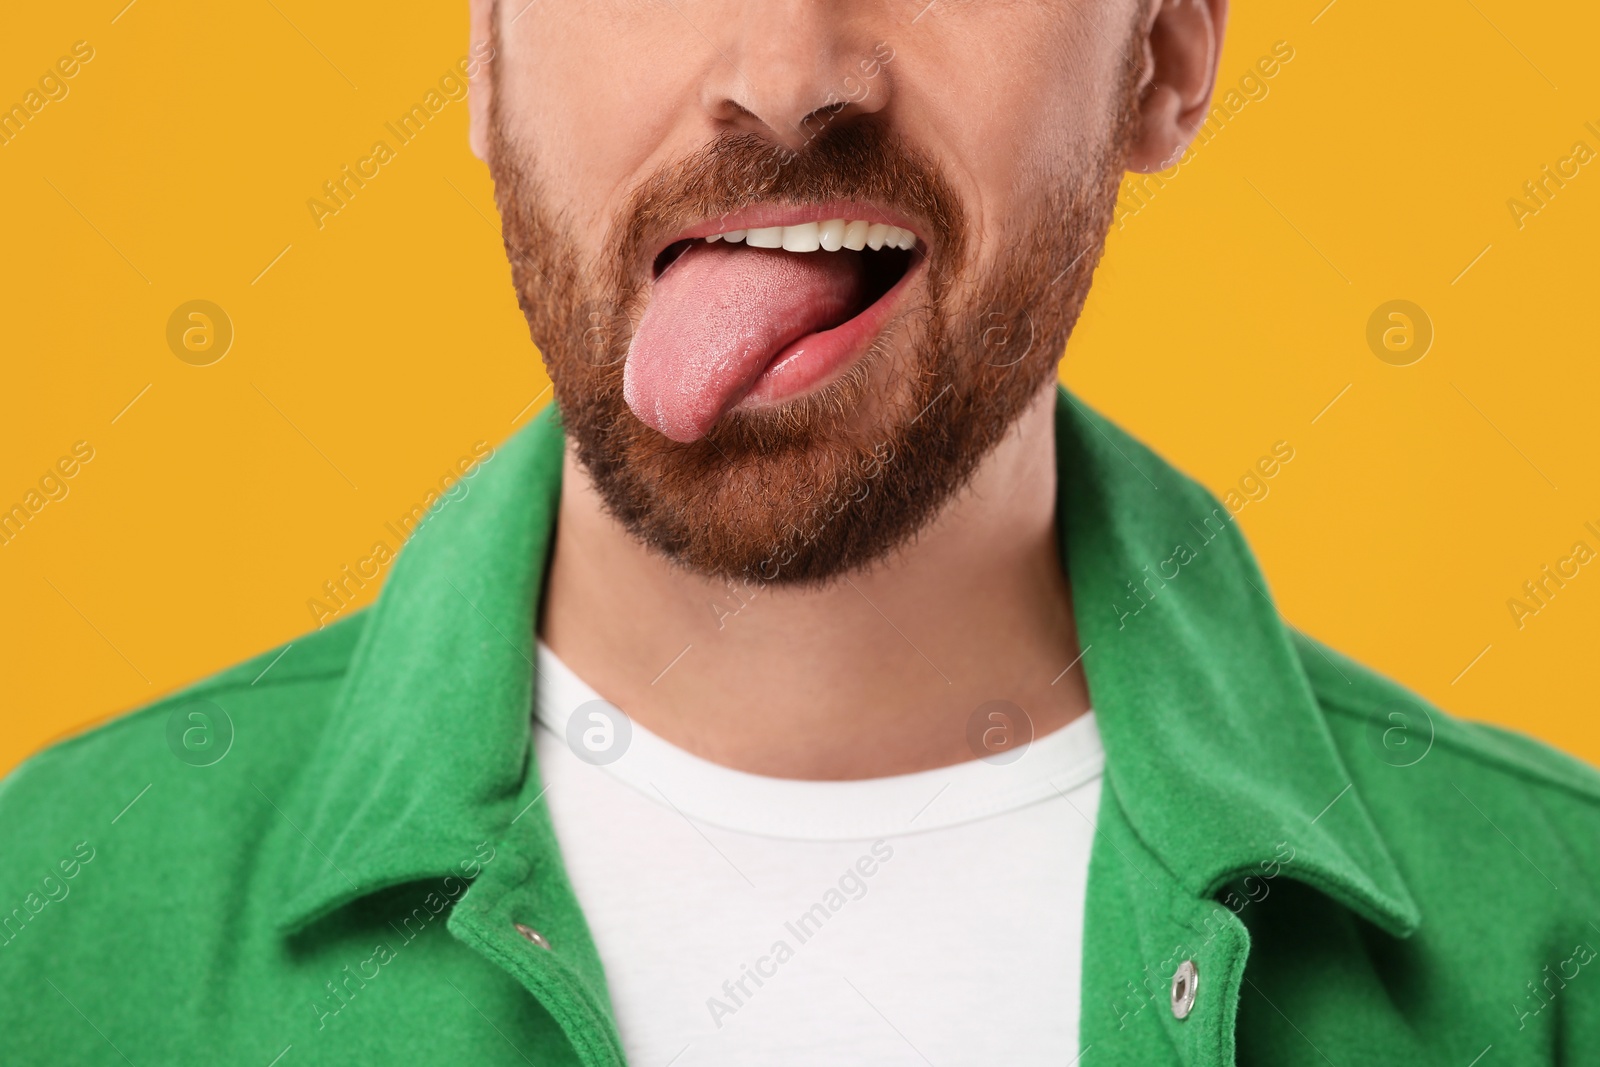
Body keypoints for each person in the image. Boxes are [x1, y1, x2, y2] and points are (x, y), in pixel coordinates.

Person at [3, 1, 1597, 1063]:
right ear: (486, 52)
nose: (784, 68)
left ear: (1166, 53)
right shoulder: (48, 927)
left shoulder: (1559, 944)